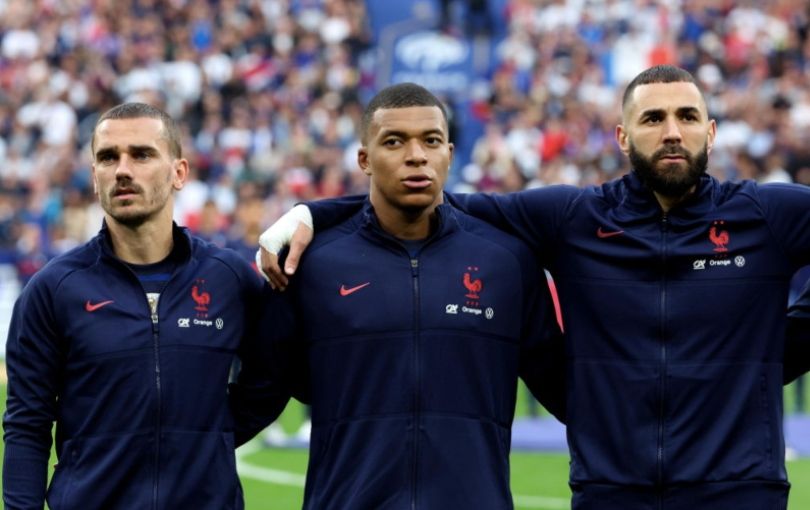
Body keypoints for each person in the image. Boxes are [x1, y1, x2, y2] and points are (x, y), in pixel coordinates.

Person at [257, 66, 810, 509]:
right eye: (653, 119)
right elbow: (422, 197)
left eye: (688, 116)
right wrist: (312, 211)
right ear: (622, 136)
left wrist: (775, 349)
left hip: (740, 489)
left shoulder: (766, 214)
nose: (671, 131)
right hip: (611, 491)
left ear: (710, 132)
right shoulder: (573, 217)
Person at [243, 82, 565, 508]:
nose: (416, 155)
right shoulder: (311, 263)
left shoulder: (506, 261)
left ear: (449, 155)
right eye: (394, 142)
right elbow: (258, 396)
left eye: (431, 141)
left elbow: (569, 392)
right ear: (364, 159)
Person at [2, 103, 286, 509]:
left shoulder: (229, 278)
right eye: (107, 157)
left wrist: (212, 432)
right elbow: (26, 426)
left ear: (179, 173)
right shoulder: (53, 289)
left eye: (141, 154)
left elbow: (273, 378)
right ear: (95, 178)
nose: (122, 169)